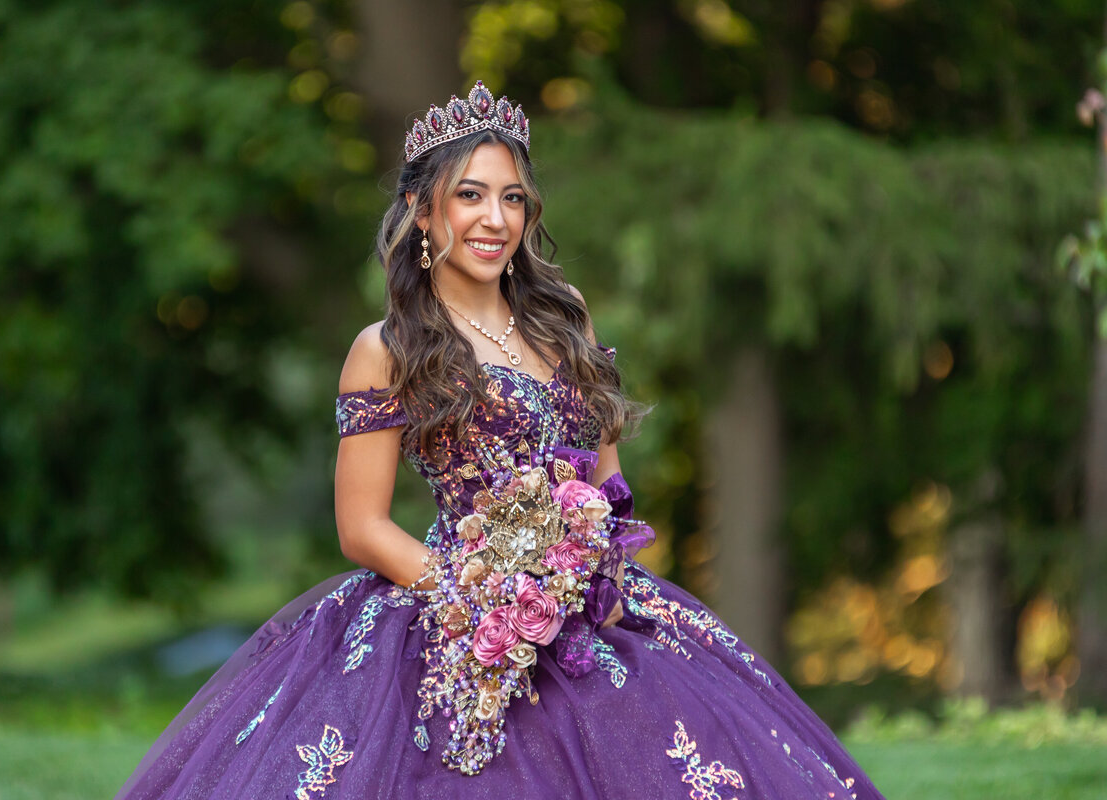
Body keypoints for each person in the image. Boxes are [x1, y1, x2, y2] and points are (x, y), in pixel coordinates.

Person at [115, 81, 886, 800]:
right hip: (452, 604)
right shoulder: (386, 348)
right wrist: (479, 597)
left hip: (591, 603)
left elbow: (608, 480)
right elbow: (362, 528)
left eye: (512, 199)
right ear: (423, 211)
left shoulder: (565, 316)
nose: (495, 219)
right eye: (470, 196)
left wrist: (594, 572)